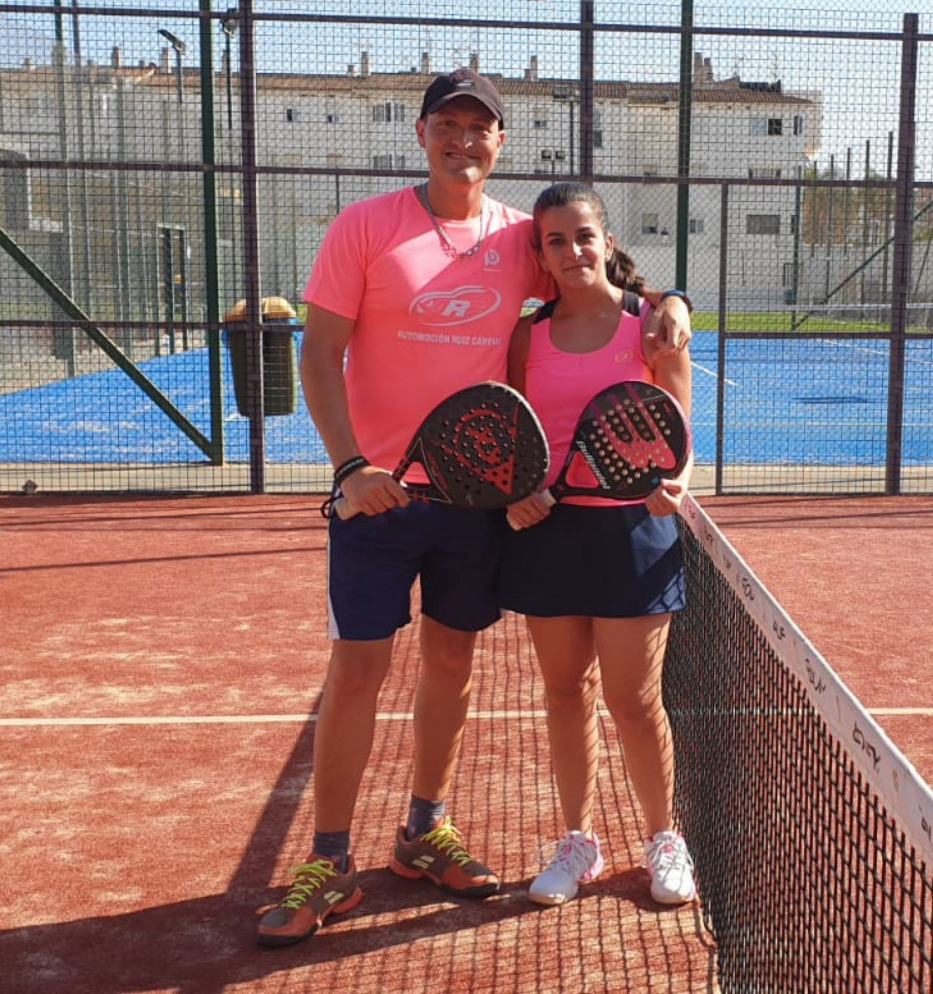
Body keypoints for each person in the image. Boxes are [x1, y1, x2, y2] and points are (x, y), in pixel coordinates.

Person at [256, 69, 692, 947]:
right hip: (377, 498)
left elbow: (596, 275)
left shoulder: (517, 237)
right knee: (357, 673)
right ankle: (329, 860)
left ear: (499, 141)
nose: (463, 139)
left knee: (452, 664)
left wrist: (671, 300)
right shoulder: (364, 226)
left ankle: (425, 830)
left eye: (479, 127)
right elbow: (320, 354)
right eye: (447, 124)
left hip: (474, 504)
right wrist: (350, 468)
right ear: (421, 134)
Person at [498, 183, 696, 907]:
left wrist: (677, 484)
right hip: (549, 534)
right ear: (542, 254)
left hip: (632, 533)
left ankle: (663, 839)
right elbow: (518, 435)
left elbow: (679, 431)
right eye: (556, 240)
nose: (572, 250)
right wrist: (516, 492)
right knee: (564, 692)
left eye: (583, 236)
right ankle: (577, 841)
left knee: (634, 700)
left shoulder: (652, 325)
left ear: (606, 242)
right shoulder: (526, 337)